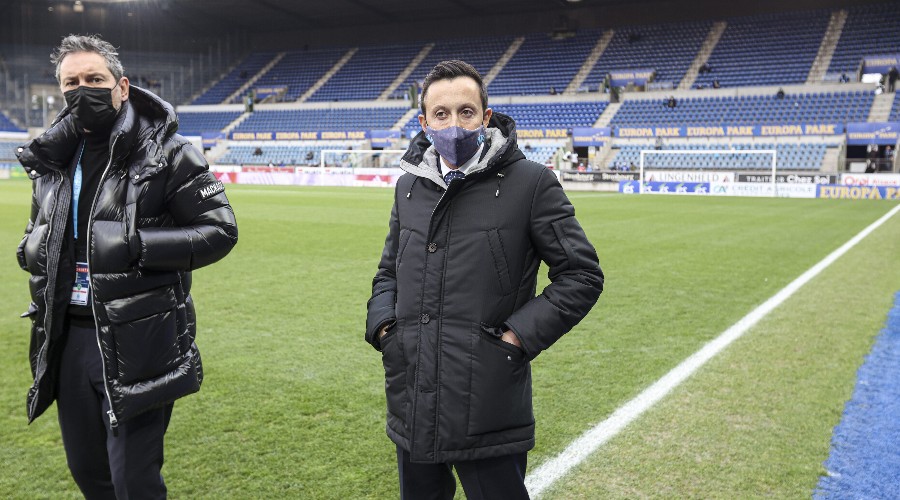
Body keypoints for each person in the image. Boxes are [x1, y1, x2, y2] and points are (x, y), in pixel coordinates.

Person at [365, 60, 603, 499]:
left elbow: (581, 275)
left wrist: (514, 339)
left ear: (485, 117)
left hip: (487, 402)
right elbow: (388, 271)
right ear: (423, 122)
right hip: (413, 393)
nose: (453, 125)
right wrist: (385, 329)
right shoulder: (409, 187)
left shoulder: (531, 183)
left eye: (466, 112)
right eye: (441, 114)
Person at [15, 34, 238, 498]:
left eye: (94, 79)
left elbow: (220, 230)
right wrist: (30, 249)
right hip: (67, 337)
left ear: (121, 86)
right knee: (89, 474)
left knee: (134, 482)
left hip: (138, 337)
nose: (83, 90)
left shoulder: (168, 152)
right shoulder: (53, 159)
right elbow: (38, 229)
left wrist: (136, 245)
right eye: (71, 82)